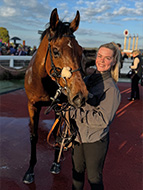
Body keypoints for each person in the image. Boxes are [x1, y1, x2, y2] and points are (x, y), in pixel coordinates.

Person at [69, 42, 121, 190]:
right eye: (99, 56)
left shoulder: (111, 89)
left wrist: (72, 113)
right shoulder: (88, 80)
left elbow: (101, 120)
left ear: (114, 61)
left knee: (94, 178)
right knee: (76, 174)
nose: (101, 60)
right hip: (78, 136)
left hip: (95, 140)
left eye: (107, 58)